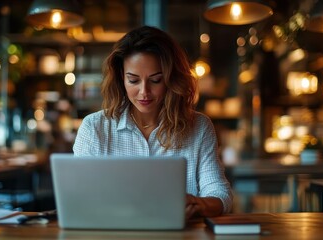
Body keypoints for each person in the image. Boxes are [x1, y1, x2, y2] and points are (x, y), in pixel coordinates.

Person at [73, 25, 233, 218]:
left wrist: (197, 204)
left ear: (171, 79)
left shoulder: (198, 127)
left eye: (156, 80)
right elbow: (79, 198)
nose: (144, 92)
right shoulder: (94, 128)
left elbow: (220, 194)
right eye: (133, 80)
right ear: (121, 79)